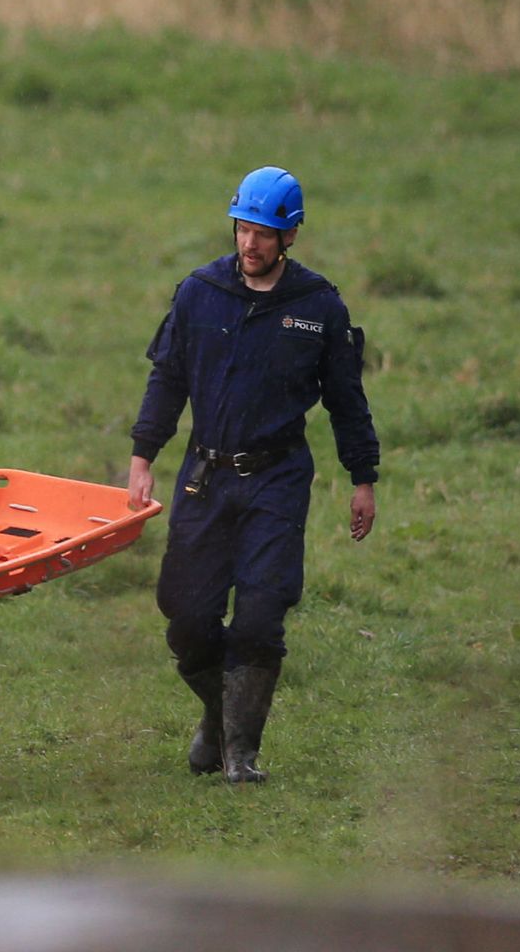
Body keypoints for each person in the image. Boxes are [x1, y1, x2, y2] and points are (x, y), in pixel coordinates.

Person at [126, 166, 379, 784]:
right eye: (244, 228)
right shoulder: (198, 293)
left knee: (262, 615)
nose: (251, 244)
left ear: (289, 236)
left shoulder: (318, 308)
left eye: (265, 233)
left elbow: (347, 400)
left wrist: (362, 478)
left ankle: (241, 754)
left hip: (277, 481)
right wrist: (141, 458)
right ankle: (220, 711)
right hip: (203, 476)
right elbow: (168, 380)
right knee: (184, 615)